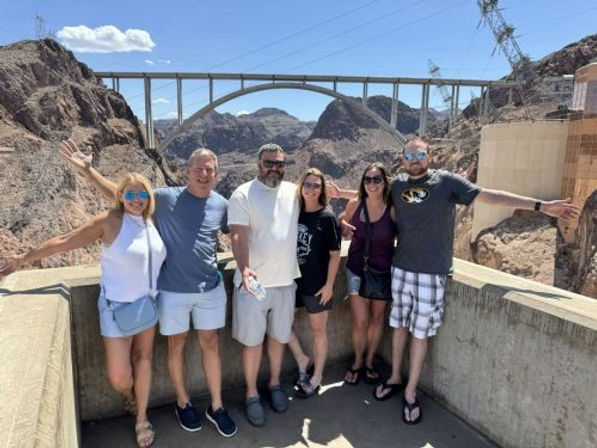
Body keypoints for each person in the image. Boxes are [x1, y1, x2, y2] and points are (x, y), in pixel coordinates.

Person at [365, 137, 581, 425]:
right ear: (402, 159)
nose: (414, 159)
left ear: (430, 156)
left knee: (420, 333)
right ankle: (394, 378)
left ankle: (411, 392)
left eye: (419, 153)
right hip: (401, 269)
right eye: (409, 154)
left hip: (432, 273)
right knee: (399, 326)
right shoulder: (399, 185)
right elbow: (371, 197)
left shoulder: (447, 183)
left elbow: (490, 196)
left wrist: (541, 206)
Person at [58, 139, 237, 437]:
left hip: (210, 290)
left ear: (217, 173)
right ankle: (183, 403)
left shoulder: (222, 203)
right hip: (172, 291)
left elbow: (240, 233)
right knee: (175, 346)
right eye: (198, 169)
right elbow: (127, 196)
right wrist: (90, 173)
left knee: (212, 344)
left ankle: (217, 406)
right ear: (188, 171)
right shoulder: (166, 198)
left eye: (210, 170)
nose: (204, 174)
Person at [0, 173, 166, 448]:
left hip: (147, 306)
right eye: (131, 195)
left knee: (144, 360)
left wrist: (90, 172)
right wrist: (23, 259)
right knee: (119, 377)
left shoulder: (150, 220)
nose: (137, 200)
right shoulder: (108, 222)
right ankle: (130, 396)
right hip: (115, 309)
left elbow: (125, 194)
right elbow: (67, 240)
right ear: (121, 196)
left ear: (148, 197)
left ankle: (141, 418)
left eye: (142, 194)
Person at [228, 143, 300, 427]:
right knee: (253, 342)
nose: (275, 168)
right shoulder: (243, 194)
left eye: (280, 164)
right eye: (269, 163)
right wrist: (244, 268)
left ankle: (273, 384)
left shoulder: (293, 192)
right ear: (258, 164)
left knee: (279, 338)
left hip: (285, 281)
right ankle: (251, 394)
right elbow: (237, 235)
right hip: (253, 284)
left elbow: (319, 205)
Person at [287, 168, 341, 398]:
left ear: (322, 189)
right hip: (292, 281)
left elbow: (335, 255)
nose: (311, 189)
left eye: (316, 185)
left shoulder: (327, 217)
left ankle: (317, 376)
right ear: (301, 187)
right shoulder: (294, 213)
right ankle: (302, 359)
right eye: (307, 184)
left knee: (319, 331)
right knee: (279, 323)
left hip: (317, 284)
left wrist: (329, 285)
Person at [341, 163, 396, 387]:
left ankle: (370, 362)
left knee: (375, 320)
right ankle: (357, 362)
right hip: (356, 269)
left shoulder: (392, 208)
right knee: (360, 321)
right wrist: (343, 225)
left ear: (385, 182)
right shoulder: (355, 204)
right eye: (367, 180)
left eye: (377, 180)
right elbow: (345, 223)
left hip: (382, 271)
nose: (372, 184)